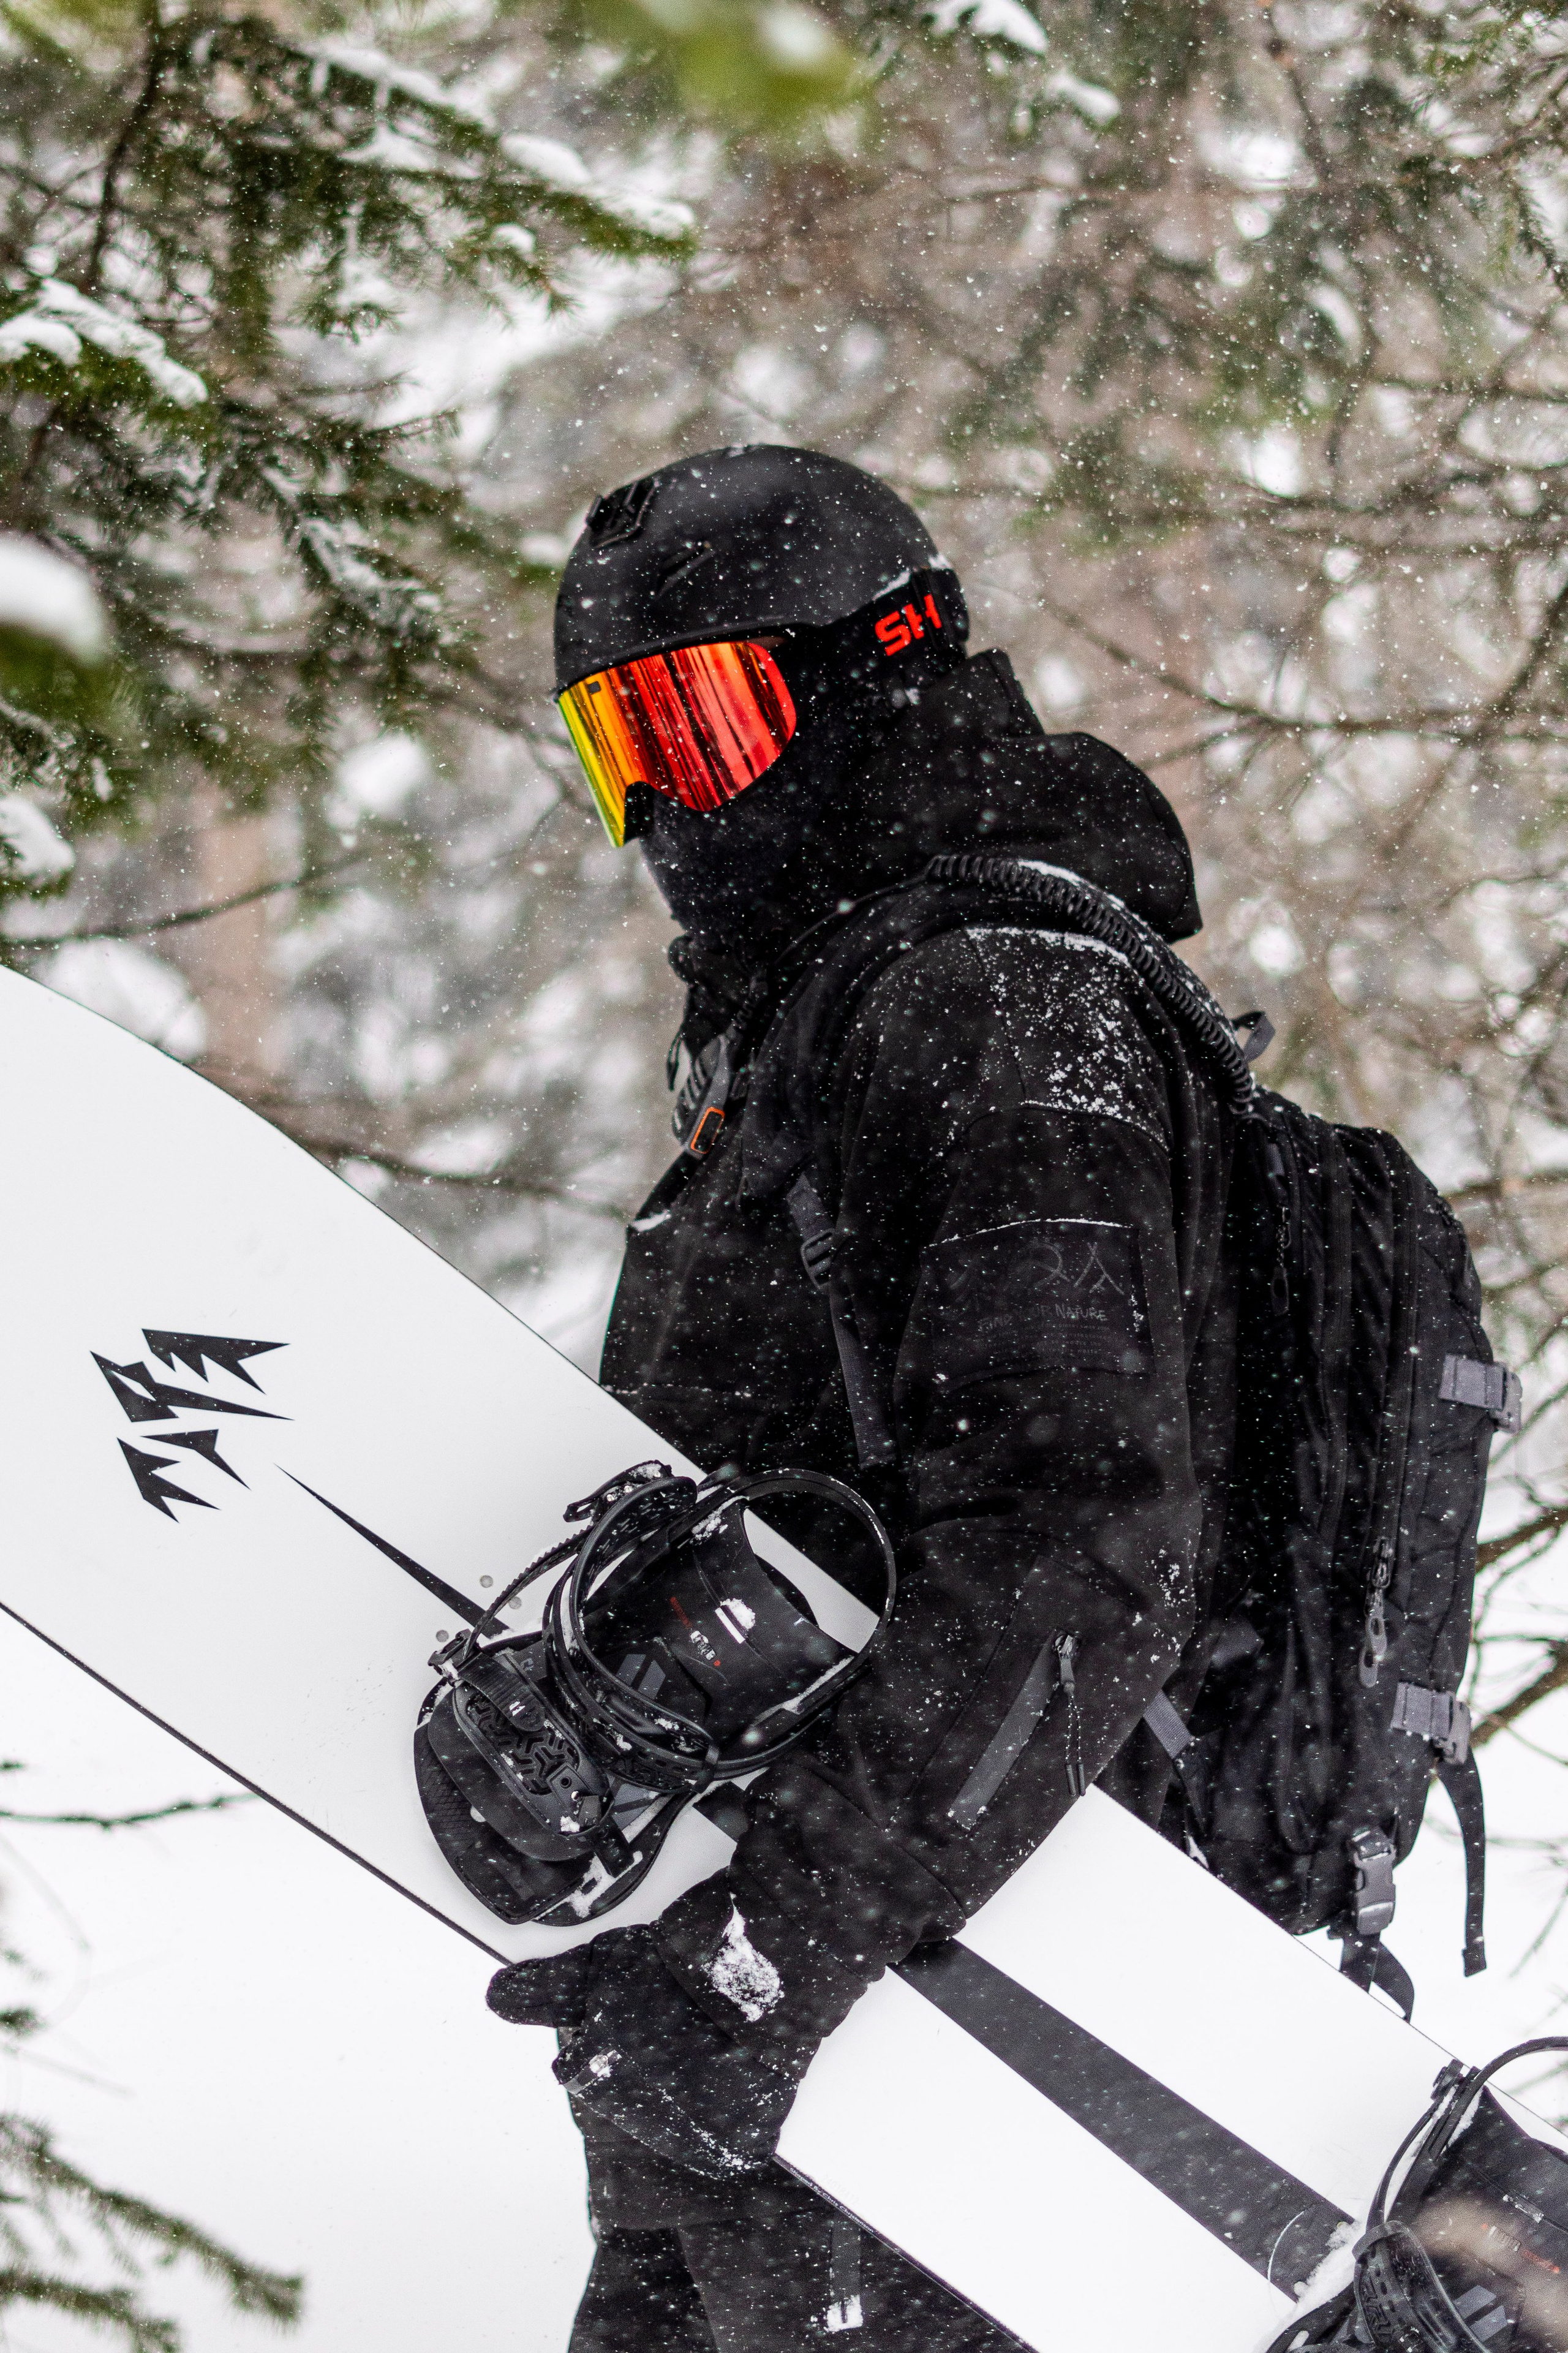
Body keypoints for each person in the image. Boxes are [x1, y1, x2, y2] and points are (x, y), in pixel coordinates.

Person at [487, 444, 1246, 2350]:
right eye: (619, 745)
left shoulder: (1006, 997)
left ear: (877, 673)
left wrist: (770, 1954)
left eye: (704, 721)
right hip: (775, 2072)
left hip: (967, 2060)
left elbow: (1085, 1546)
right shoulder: (812, 1027)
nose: (663, 800)